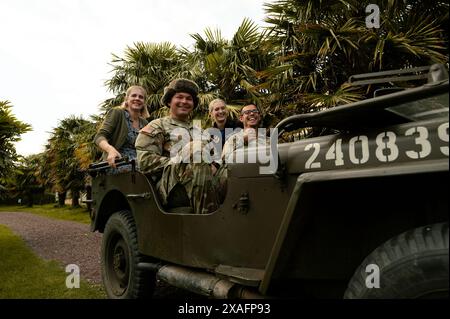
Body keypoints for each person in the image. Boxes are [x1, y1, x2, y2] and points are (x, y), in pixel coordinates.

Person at [135, 79, 220, 214]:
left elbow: (216, 158)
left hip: (205, 179)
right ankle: (206, 223)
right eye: (179, 97)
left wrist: (214, 165)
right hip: (170, 185)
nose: (184, 101)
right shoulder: (157, 126)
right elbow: (145, 162)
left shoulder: (200, 131)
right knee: (195, 149)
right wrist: (182, 160)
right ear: (169, 102)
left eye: (189, 99)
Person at [94, 85, 149, 168]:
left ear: (144, 102)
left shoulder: (145, 123)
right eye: (134, 95)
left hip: (140, 162)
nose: (137, 98)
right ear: (127, 99)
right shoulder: (117, 113)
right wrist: (110, 150)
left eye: (141, 97)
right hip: (118, 162)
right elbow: (99, 136)